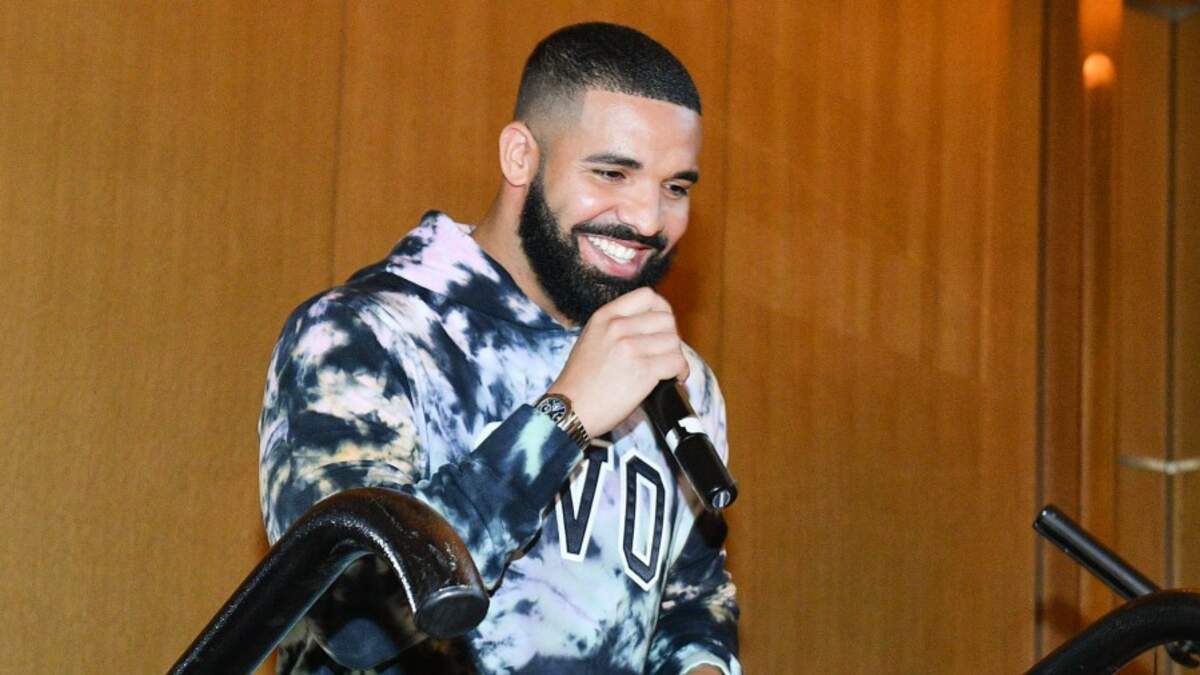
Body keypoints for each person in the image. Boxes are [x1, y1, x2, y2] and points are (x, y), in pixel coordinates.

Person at [259, 22, 739, 675]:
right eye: (611, 172)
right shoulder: (361, 335)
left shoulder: (678, 378)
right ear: (520, 157)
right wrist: (564, 418)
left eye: (675, 187)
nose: (649, 219)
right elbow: (354, 621)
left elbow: (692, 599)